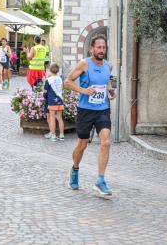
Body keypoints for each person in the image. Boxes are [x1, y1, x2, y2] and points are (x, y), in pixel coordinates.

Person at [64, 35, 116, 197]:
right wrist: (83, 90)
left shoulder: (109, 65)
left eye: (104, 47)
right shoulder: (84, 64)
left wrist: (110, 90)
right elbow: (67, 82)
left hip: (102, 110)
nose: (101, 50)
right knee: (82, 145)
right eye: (98, 47)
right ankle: (75, 169)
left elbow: (108, 82)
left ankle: (100, 180)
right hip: (85, 110)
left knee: (106, 142)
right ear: (91, 49)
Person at [44, 63, 65, 141]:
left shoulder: (48, 80)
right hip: (60, 100)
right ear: (58, 70)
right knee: (60, 118)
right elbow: (62, 89)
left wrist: (43, 81)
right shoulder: (60, 78)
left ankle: (53, 135)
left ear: (50, 70)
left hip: (52, 101)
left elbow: (45, 90)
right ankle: (62, 135)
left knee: (52, 118)